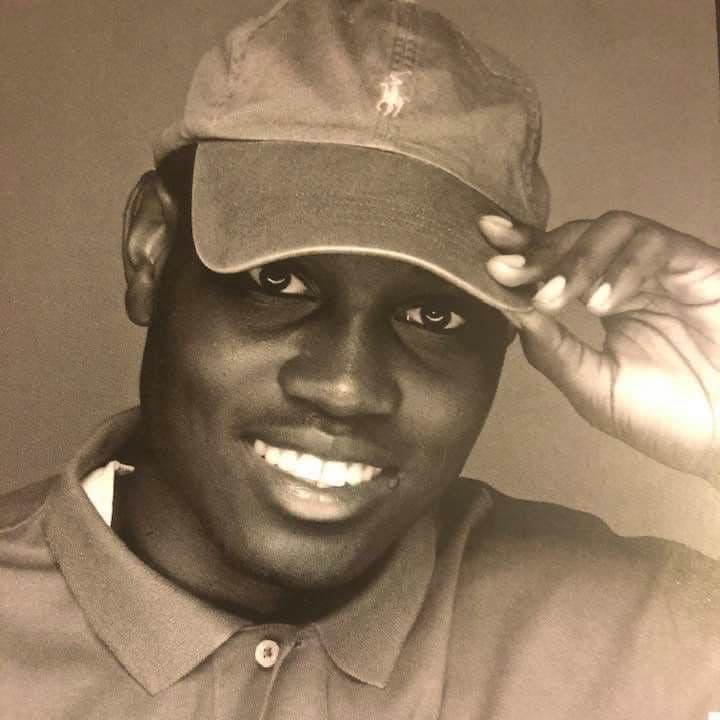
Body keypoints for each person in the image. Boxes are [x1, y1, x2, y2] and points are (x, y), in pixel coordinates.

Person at [1, 0, 719, 717]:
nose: (346, 387)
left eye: (433, 315)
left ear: (508, 328)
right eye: (279, 281)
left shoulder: (651, 639)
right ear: (151, 251)